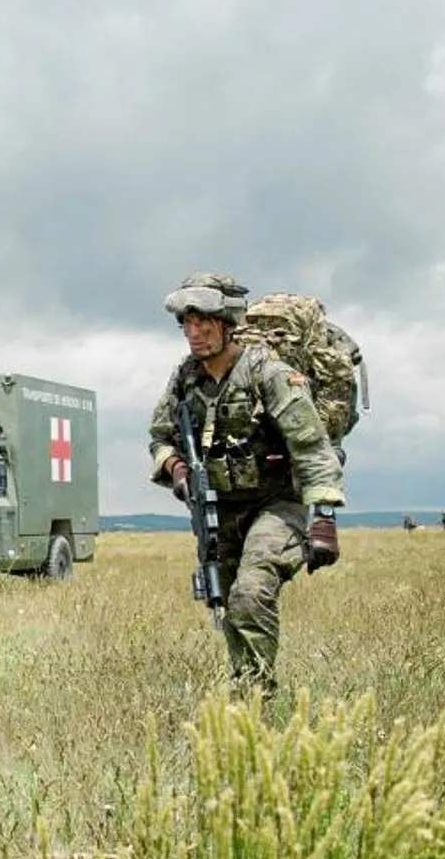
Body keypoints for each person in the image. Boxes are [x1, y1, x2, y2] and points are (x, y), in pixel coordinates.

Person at [147, 273, 345, 699]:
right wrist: (177, 468)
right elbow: (159, 438)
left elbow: (312, 448)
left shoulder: (269, 374)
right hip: (220, 508)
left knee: (251, 593)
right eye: (186, 324)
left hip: (277, 504)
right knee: (226, 603)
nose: (194, 334)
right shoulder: (185, 380)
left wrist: (324, 518)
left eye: (204, 323)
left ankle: (256, 696)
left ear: (228, 322)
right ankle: (246, 690)